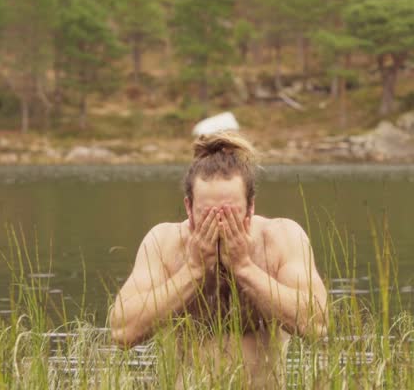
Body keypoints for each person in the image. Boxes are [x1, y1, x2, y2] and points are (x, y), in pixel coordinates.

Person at [108, 131, 327, 387]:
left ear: (251, 207)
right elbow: (122, 332)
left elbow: (318, 326)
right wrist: (193, 270)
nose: (220, 224)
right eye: (207, 214)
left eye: (231, 213)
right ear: (188, 207)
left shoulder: (281, 238)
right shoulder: (164, 243)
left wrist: (244, 268)